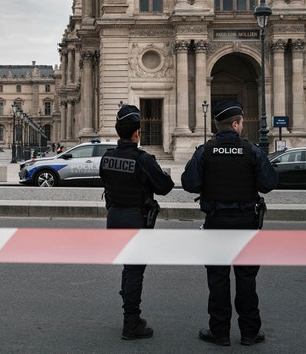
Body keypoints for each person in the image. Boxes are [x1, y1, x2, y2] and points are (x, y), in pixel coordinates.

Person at [182, 100, 278, 347]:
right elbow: (268, 183)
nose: (243, 126)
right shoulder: (252, 151)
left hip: (216, 223)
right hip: (246, 223)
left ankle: (220, 332)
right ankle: (249, 332)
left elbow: (189, 183)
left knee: (218, 280)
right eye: (242, 122)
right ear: (235, 124)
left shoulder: (205, 151)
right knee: (247, 280)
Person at [99, 104, 174, 340]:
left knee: (128, 268)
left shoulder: (107, 157)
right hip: (135, 219)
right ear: (137, 133)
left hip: (114, 217)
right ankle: (131, 322)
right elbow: (164, 187)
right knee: (135, 271)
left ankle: (130, 314)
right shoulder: (142, 159)